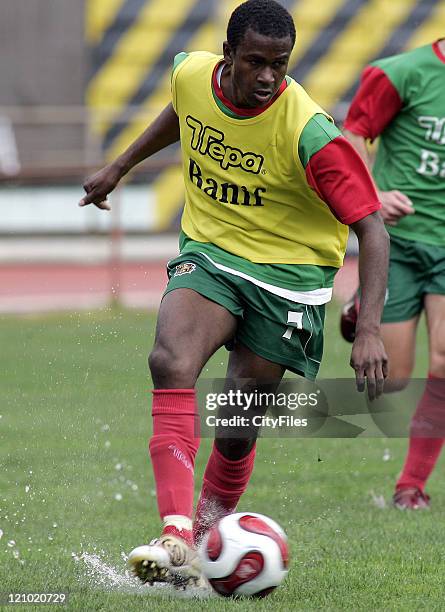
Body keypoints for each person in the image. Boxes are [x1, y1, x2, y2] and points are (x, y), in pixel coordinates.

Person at [80, 0, 388, 587]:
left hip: (290, 276)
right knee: (170, 359)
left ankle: (202, 543)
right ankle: (174, 536)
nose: (269, 76)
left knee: (238, 414)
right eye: (255, 61)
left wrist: (368, 328)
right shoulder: (191, 72)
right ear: (227, 56)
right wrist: (119, 166)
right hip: (212, 254)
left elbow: (372, 228)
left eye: (280, 63)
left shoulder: (310, 131)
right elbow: (183, 112)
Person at [340, 38, 445, 510]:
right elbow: (350, 136)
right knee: (395, 379)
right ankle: (361, 308)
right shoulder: (401, 73)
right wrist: (375, 192)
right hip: (399, 245)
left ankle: (411, 486)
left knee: (444, 362)